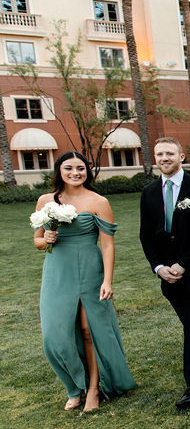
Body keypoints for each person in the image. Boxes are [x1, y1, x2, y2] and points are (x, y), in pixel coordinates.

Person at [34, 151, 136, 412]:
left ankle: (92, 388)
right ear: (59, 171)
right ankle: (73, 387)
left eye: (80, 168)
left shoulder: (98, 201)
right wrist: (46, 239)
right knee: (55, 335)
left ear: (87, 171)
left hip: (90, 270)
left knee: (89, 329)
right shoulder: (45, 200)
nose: (75, 173)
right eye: (68, 168)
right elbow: (37, 241)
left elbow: (108, 244)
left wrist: (108, 281)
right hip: (58, 272)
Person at [139, 137, 190, 410]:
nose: (164, 158)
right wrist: (159, 267)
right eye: (159, 154)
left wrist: (183, 264)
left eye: (170, 153)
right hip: (167, 273)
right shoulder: (149, 192)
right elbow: (146, 235)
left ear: (181, 156)